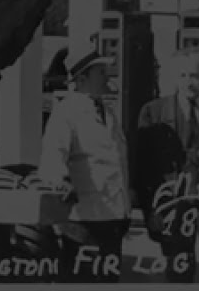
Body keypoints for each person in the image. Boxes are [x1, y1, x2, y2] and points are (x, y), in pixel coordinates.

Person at [135, 49, 199, 283]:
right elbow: (143, 171)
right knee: (178, 276)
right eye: (182, 75)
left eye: (194, 75)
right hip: (174, 209)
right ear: (173, 77)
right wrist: (151, 211)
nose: (189, 82)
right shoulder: (153, 112)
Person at [38, 46, 132, 283]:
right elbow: (53, 154)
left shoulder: (107, 112)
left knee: (107, 280)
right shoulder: (67, 112)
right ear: (82, 79)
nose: (106, 77)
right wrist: (60, 181)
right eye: (100, 72)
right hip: (84, 220)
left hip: (111, 215)